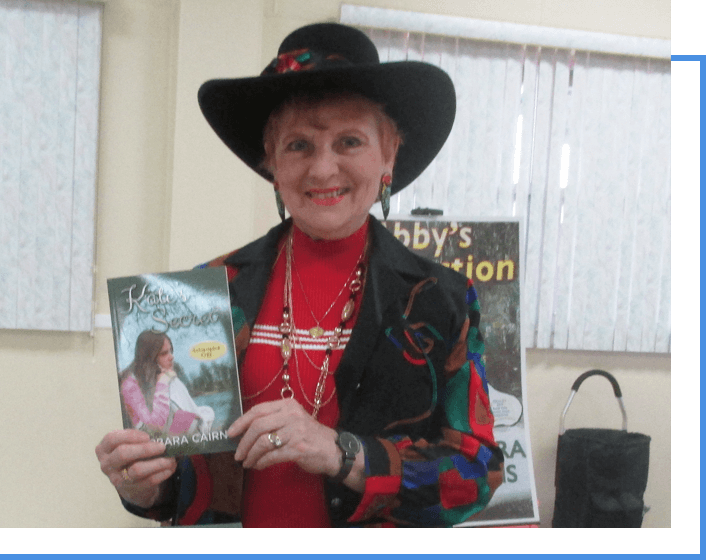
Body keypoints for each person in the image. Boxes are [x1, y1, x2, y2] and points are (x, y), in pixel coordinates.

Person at [96, 22, 504, 527]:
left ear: (389, 155)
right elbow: (192, 481)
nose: (323, 170)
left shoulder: (440, 299)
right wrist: (145, 487)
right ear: (270, 161)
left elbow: (478, 473)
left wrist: (343, 454)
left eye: (349, 141)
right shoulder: (208, 291)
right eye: (299, 146)